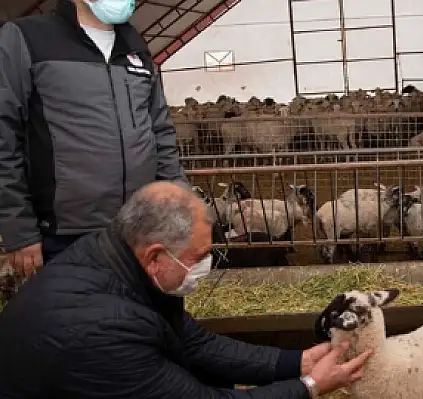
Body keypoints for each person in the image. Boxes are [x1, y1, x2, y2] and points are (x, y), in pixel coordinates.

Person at [0, 181, 373, 398]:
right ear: (156, 255)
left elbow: (195, 343)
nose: (204, 267)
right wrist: (309, 386)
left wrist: (297, 362)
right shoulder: (103, 332)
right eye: (199, 256)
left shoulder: (117, 260)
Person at [0, 0, 187, 277]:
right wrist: (20, 231)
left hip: (141, 227)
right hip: (66, 235)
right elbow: (4, 135)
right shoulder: (28, 38)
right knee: (78, 317)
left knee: (143, 316)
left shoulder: (135, 45)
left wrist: (179, 204)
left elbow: (160, 132)